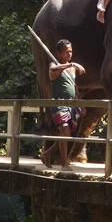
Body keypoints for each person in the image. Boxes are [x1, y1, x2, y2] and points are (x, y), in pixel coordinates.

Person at [40, 39, 85, 171]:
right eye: (66, 52)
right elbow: (53, 69)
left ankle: (47, 154)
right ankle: (64, 163)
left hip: (71, 104)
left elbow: (74, 86)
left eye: (71, 52)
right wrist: (72, 65)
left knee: (67, 134)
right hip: (59, 103)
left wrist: (81, 103)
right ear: (59, 53)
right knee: (65, 130)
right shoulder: (54, 65)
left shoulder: (72, 69)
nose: (69, 54)